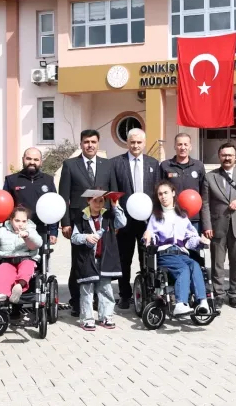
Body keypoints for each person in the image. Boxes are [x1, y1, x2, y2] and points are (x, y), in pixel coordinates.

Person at [59, 130, 117, 317]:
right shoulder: (70, 165)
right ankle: (77, 302)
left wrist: (114, 223)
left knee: (100, 260)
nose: (90, 145)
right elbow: (64, 196)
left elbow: (113, 195)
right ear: (81, 144)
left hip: (103, 222)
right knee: (80, 262)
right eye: (86, 142)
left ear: (98, 143)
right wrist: (66, 223)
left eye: (93, 141)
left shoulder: (108, 165)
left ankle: (99, 301)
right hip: (79, 222)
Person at [143, 181, 211, 315]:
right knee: (183, 269)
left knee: (195, 265)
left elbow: (190, 238)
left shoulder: (182, 216)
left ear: (173, 193)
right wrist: (148, 235)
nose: (163, 196)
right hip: (165, 254)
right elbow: (149, 234)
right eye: (160, 194)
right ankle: (180, 303)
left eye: (166, 193)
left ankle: (202, 302)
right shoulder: (155, 217)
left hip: (181, 254)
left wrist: (199, 240)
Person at [201, 143, 236, 308]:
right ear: (219, 156)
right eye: (224, 155)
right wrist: (207, 225)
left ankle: (234, 294)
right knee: (217, 262)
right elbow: (205, 203)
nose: (227, 158)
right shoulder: (210, 177)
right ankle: (219, 294)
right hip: (217, 225)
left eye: (230, 155)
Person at [112, 128, 160, 309]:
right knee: (124, 259)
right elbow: (113, 193)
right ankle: (124, 295)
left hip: (146, 222)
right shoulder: (116, 163)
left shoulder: (154, 164)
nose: (136, 145)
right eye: (132, 142)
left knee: (146, 259)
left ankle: (146, 293)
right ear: (127, 143)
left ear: (144, 143)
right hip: (124, 222)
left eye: (139, 142)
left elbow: (157, 193)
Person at [70, 193, 126, 330]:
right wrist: (86, 237)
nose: (98, 204)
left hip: (105, 258)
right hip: (87, 259)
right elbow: (74, 237)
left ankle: (106, 317)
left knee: (105, 289)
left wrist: (115, 206)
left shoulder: (108, 216)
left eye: (101, 201)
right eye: (95, 201)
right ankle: (87, 319)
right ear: (89, 201)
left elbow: (122, 223)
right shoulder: (81, 217)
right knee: (87, 289)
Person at [0, 206, 43, 304]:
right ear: (11, 220)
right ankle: (0, 293)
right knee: (3, 271)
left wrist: (27, 236)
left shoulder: (30, 230)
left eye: (24, 221)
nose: (20, 224)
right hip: (8, 259)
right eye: (17, 221)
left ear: (27, 221)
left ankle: (19, 286)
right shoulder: (2, 231)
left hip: (26, 258)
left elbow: (38, 243)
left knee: (26, 268)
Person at [3, 147, 58, 243]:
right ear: (23, 159)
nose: (32, 162)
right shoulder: (11, 180)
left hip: (42, 230)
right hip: (17, 230)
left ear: (41, 162)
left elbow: (54, 207)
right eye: (28, 159)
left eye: (36, 159)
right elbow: (4, 207)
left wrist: (53, 231)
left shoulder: (48, 180)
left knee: (40, 258)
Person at [160, 133, 206, 232]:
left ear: (190, 147)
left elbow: (204, 193)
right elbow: (160, 191)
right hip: (172, 216)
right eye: (179, 144)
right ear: (174, 146)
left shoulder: (199, 166)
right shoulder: (165, 166)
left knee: (193, 247)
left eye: (186, 144)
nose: (183, 147)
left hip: (194, 219)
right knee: (173, 247)